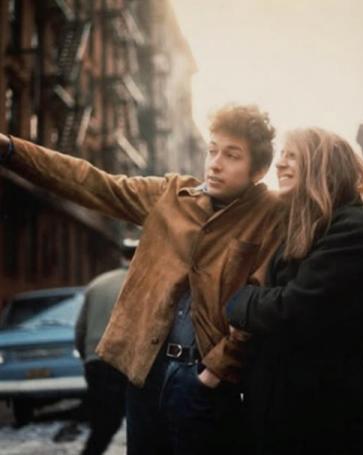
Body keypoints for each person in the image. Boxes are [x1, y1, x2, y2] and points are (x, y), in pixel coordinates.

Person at [0, 104, 283, 454]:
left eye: (231, 155)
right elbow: (91, 182)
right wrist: (11, 150)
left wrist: (213, 372)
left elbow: (263, 300)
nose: (215, 163)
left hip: (206, 380)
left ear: (258, 169)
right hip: (148, 372)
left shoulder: (270, 216)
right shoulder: (171, 196)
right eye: (212, 151)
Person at [227, 127, 363, 455]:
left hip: (326, 415)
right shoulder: (303, 227)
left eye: (292, 156)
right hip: (285, 411)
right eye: (281, 156)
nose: (280, 164)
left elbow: (292, 309)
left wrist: (238, 301)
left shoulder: (351, 228)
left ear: (321, 165)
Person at [75, 239, 137, 455]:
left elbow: (80, 328)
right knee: (141, 423)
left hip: (96, 362)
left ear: (121, 255)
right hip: (127, 362)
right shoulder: (141, 281)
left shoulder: (97, 283)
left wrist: (88, 357)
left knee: (103, 424)